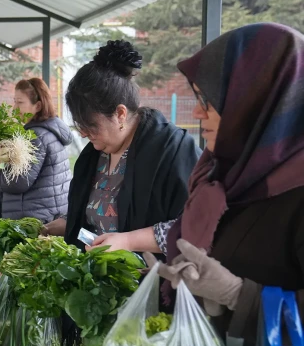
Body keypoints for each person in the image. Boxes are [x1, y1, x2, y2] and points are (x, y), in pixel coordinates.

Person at [140, 23, 304, 346]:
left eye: (210, 101)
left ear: (258, 102)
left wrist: (237, 295)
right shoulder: (220, 170)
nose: (197, 113)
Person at [41, 40, 201, 256]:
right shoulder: (93, 155)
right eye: (80, 125)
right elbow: (93, 215)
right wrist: (63, 225)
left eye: (91, 126)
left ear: (120, 114)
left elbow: (196, 230)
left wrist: (129, 241)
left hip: (150, 284)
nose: (83, 134)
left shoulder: (173, 151)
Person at [0, 78, 72, 223]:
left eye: (20, 102)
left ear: (38, 106)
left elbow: (17, 182)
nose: (14, 108)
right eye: (14, 101)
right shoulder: (50, 131)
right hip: (48, 215)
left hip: (34, 221)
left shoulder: (34, 137)